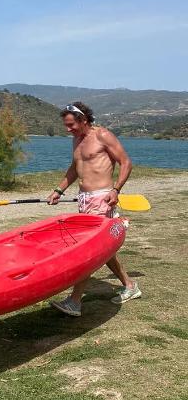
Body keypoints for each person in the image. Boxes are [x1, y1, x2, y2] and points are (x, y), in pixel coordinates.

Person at [47, 101, 140, 316]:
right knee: (103, 250)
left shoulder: (103, 136)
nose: (67, 129)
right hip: (84, 199)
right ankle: (130, 285)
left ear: (84, 120)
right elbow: (75, 167)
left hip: (102, 199)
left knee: (88, 251)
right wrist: (59, 190)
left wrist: (116, 190)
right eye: (66, 125)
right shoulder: (76, 140)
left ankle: (75, 300)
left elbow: (126, 162)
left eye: (71, 125)